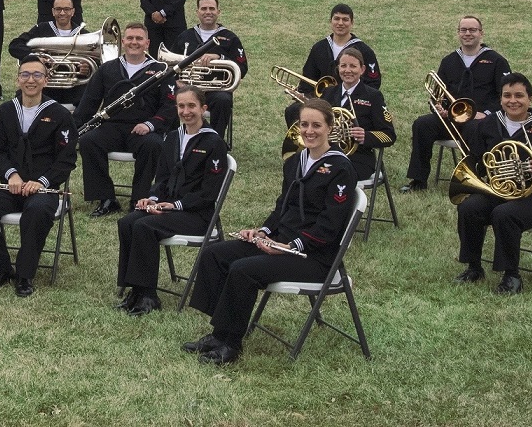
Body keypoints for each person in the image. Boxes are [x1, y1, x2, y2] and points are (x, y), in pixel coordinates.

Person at [185, 98, 356, 366]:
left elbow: (330, 227)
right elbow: (282, 206)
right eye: (304, 124)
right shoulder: (295, 161)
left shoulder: (341, 168)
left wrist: (289, 246)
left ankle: (231, 344)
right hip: (280, 243)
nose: (309, 131)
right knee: (214, 255)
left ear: (330, 128)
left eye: (316, 125)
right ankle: (220, 332)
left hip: (314, 257)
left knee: (243, 269)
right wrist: (263, 231)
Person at [0, 54, 77, 298]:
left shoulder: (60, 114)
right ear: (18, 80)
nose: (31, 80)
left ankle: (25, 274)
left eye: (37, 75)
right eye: (25, 75)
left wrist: (42, 182)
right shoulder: (4, 111)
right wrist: (11, 175)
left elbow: (66, 159)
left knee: (37, 212)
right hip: (12, 187)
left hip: (42, 190)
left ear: (45, 80)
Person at [116, 84, 230, 316]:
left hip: (196, 214)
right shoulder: (172, 138)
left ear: (203, 108)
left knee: (144, 226)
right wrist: (153, 198)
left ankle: (149, 295)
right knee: (127, 222)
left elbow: (209, 193)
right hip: (169, 210)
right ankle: (135, 290)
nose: (186, 111)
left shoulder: (213, 143)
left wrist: (176, 205)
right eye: (181, 106)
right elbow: (163, 178)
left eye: (191, 106)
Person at [452, 73, 532, 295]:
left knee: (504, 214)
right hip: (499, 190)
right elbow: (476, 160)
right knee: (468, 207)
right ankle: (474, 267)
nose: (512, 101)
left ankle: (511, 275)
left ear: (530, 99)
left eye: (519, 96)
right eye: (507, 95)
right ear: (500, 98)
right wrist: (487, 170)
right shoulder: (488, 123)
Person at [402, 16, 510, 193]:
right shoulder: (449, 61)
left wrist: (487, 113)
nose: (468, 34)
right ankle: (418, 180)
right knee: (422, 124)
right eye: (464, 30)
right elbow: (437, 95)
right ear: (458, 33)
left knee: (473, 128)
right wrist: (439, 108)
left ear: (481, 33)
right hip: (451, 119)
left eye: (472, 30)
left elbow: (506, 96)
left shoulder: (496, 61)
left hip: (480, 120)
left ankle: (473, 179)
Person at [77, 23, 174, 217]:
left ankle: (139, 199)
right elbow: (88, 103)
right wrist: (72, 127)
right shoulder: (107, 69)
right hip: (111, 127)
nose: (134, 42)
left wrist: (151, 124)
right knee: (88, 141)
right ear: (123, 42)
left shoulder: (161, 70)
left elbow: (170, 106)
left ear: (147, 43)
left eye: (139, 39)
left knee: (153, 145)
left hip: (143, 129)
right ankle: (106, 198)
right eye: (130, 38)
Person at [306, 46, 395, 183]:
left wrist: (366, 135)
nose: (347, 70)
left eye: (353, 66)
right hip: (327, 154)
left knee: (327, 174)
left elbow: (389, 135)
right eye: (343, 66)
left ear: (362, 69)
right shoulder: (328, 93)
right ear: (338, 69)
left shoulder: (373, 96)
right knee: (301, 169)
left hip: (358, 158)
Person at [170, 0, 248, 139]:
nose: (208, 12)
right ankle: (173, 139)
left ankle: (215, 141)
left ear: (218, 11)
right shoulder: (185, 36)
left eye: (212, 8)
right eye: (204, 8)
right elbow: (169, 67)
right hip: (187, 88)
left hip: (215, 91)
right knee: (167, 96)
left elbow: (242, 68)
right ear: (197, 12)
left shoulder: (230, 38)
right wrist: (175, 81)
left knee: (223, 101)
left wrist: (220, 58)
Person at [9, 0, 88, 107]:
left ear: (73, 11)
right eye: (58, 9)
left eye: (66, 9)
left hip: (74, 89)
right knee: (20, 98)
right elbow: (15, 45)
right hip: (45, 88)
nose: (62, 13)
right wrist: (35, 58)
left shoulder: (83, 34)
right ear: (53, 11)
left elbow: (97, 63)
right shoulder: (41, 29)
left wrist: (87, 69)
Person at [300, 4, 381, 89]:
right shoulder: (319, 48)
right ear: (330, 21)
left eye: (345, 20)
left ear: (352, 23)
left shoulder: (364, 51)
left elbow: (373, 83)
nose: (340, 23)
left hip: (353, 100)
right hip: (322, 100)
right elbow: (307, 79)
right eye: (336, 19)